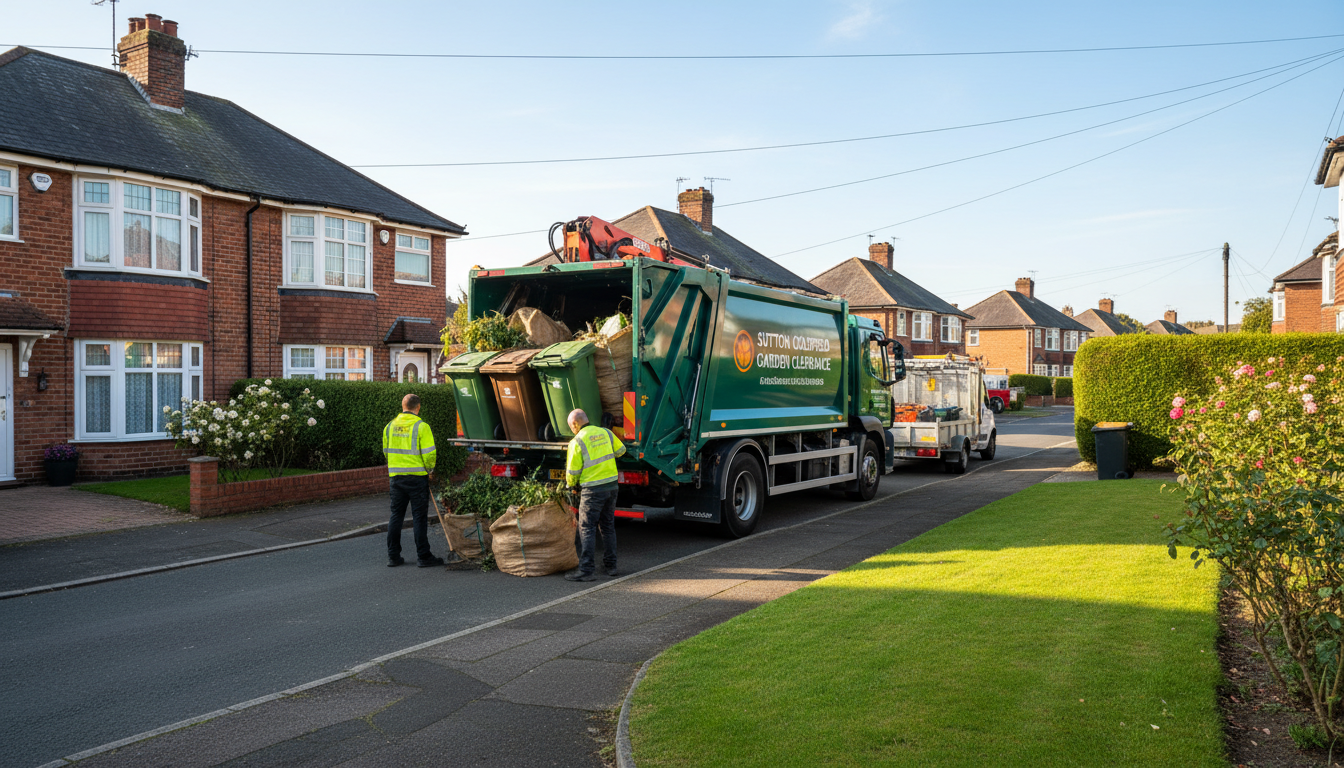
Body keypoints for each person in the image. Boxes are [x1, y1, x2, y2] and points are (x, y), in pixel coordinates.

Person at [382, 393, 445, 568]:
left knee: (396, 516)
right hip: (417, 478)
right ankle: (423, 557)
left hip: (396, 478)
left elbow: (386, 452)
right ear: (418, 408)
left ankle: (393, 556)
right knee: (419, 517)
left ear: (403, 406)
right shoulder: (421, 426)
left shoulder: (389, 427)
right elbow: (429, 454)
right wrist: (430, 470)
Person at [563, 408, 625, 582]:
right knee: (607, 526)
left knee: (587, 528)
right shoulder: (605, 432)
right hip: (612, 486)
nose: (572, 430)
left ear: (575, 424)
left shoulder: (577, 441)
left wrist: (571, 484)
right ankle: (611, 567)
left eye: (571, 427)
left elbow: (573, 472)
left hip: (592, 490)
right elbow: (621, 451)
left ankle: (586, 570)